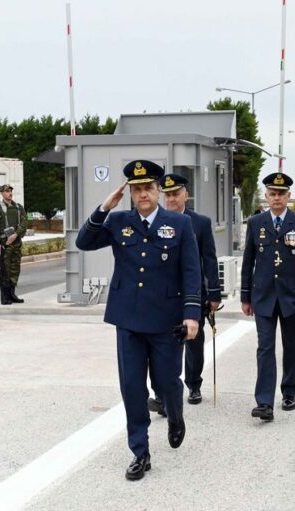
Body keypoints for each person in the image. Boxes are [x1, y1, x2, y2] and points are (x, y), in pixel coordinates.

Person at [76, 160, 201, 481]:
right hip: (128, 318)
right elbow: (84, 242)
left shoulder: (180, 224)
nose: (142, 194)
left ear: (158, 190)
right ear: (129, 192)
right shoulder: (119, 222)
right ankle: (140, 452)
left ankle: (175, 414)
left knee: (169, 382)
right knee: (132, 388)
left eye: (148, 188)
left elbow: (191, 272)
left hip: (166, 320)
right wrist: (105, 207)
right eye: (136, 189)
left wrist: (191, 314)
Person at [240, 172, 295, 421]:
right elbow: (248, 261)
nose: (276, 198)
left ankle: (289, 391)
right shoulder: (256, 223)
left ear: (289, 196)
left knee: (291, 346)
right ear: (266, 196)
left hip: (292, 296)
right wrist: (245, 296)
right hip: (263, 296)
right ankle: (264, 402)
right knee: (265, 347)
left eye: (281, 194)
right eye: (272, 194)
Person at [147, 174, 220, 410]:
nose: (171, 199)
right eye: (167, 194)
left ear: (185, 195)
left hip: (192, 294)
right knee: (161, 345)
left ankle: (194, 384)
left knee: (194, 343)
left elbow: (209, 259)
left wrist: (214, 294)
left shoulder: (200, 223)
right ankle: (161, 393)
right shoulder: (153, 221)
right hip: (163, 295)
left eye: (175, 194)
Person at [0, 184, 27, 305]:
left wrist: (16, 235)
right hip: (4, 244)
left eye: (10, 191)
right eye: (6, 191)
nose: (9, 193)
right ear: (2, 193)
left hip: (16, 243)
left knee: (15, 269)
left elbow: (24, 223)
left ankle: (12, 293)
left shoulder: (18, 208)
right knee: (5, 271)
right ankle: (5, 297)